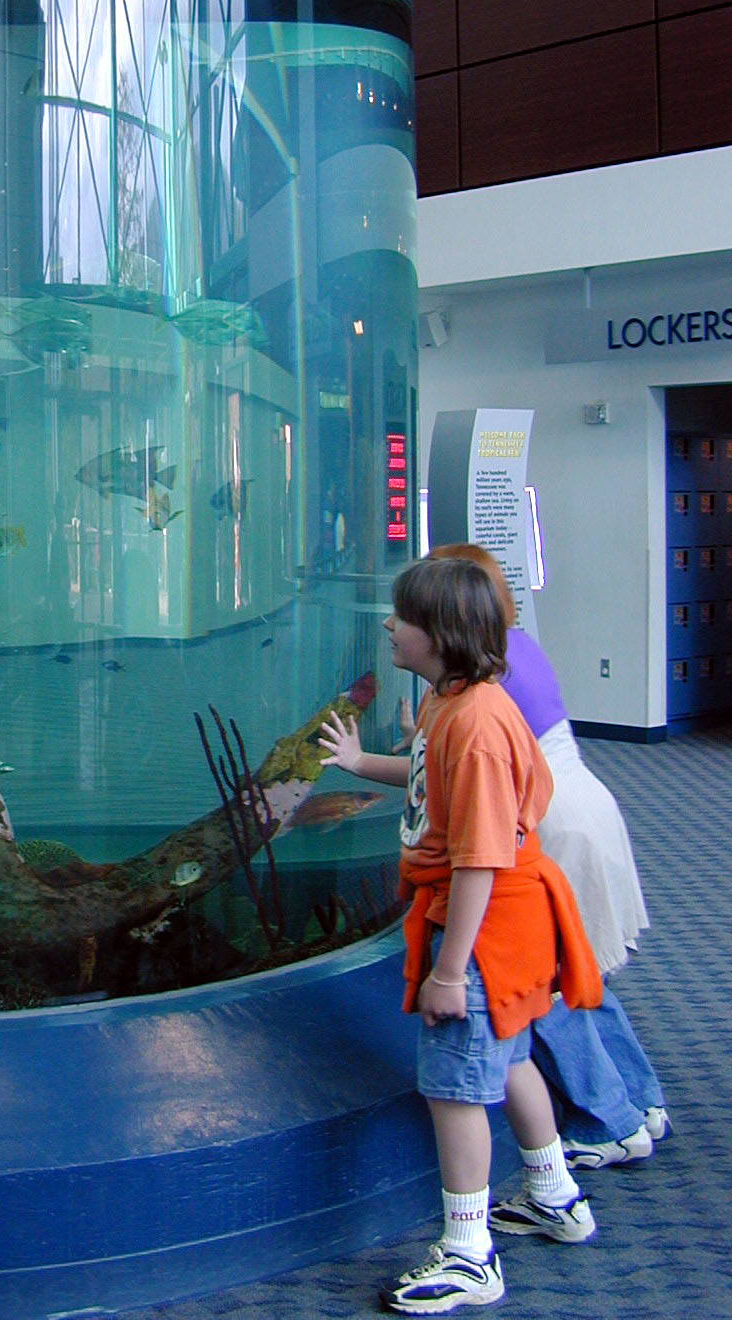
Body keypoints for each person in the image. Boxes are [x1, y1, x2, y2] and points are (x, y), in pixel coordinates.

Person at [320, 556, 602, 1316]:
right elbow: (424, 783)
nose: (388, 627)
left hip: (480, 932)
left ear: (437, 635)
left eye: (401, 619)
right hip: (502, 930)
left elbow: (480, 857)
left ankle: (471, 1253)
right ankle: (555, 1195)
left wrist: (449, 970)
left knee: (453, 1089)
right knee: (511, 1058)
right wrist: (357, 762)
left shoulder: (473, 723)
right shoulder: (455, 704)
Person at [427, 543, 669, 1168]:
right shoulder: (515, 646)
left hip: (548, 827)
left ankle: (606, 1121)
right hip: (586, 806)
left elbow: (480, 782)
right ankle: (639, 1101)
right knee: (582, 978)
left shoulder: (483, 688)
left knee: (549, 992)